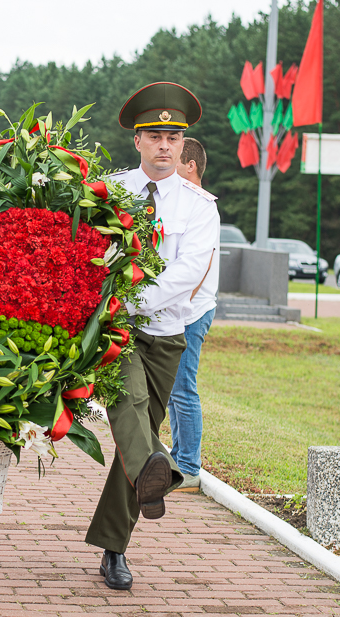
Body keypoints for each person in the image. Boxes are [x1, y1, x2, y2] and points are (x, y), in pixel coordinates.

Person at [87, 83, 221, 590]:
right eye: (156, 136)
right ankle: (152, 473)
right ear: (137, 141)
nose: (166, 146)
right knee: (131, 406)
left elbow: (189, 271)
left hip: (165, 334)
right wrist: (113, 308)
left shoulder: (199, 206)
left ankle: (113, 547)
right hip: (113, 330)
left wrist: (130, 299)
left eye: (174, 137)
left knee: (139, 437)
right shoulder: (107, 191)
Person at [169, 137, 218, 491]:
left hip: (191, 310)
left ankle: (189, 466)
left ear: (190, 166)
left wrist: (179, 309)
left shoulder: (203, 207)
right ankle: (177, 456)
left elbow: (198, 270)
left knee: (183, 387)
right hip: (181, 309)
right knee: (174, 389)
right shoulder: (181, 203)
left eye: (176, 158)